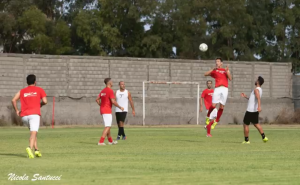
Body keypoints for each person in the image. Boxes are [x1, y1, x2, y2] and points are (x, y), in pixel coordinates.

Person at [11, 74, 47, 158]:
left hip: (24, 116)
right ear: (35, 82)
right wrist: (40, 104)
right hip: (34, 115)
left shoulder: (22, 91)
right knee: (33, 133)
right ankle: (29, 148)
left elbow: (13, 100)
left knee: (33, 133)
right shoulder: (39, 89)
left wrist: (16, 110)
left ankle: (36, 150)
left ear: (27, 82)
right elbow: (45, 101)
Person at [204, 57, 232, 137]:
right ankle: (208, 116)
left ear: (221, 63)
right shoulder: (215, 70)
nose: (217, 63)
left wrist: (227, 71)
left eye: (218, 61)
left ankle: (215, 121)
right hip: (217, 88)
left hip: (225, 89)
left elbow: (230, 78)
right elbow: (205, 74)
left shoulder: (225, 70)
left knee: (222, 107)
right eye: (216, 61)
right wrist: (213, 69)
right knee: (213, 105)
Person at [96, 78, 124, 146]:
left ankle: (110, 141)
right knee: (108, 126)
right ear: (110, 83)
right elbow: (113, 101)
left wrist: (101, 105)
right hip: (107, 110)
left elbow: (97, 100)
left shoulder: (103, 91)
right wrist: (120, 107)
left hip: (102, 110)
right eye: (112, 82)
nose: (113, 83)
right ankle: (101, 141)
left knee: (107, 125)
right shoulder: (110, 91)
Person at [241, 76, 268, 144]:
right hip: (254, 111)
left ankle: (246, 140)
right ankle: (264, 137)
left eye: (256, 80)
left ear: (258, 82)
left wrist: (259, 107)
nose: (255, 80)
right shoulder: (260, 89)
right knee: (256, 124)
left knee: (245, 124)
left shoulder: (256, 90)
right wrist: (246, 97)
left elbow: (258, 98)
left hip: (250, 110)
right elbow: (253, 99)